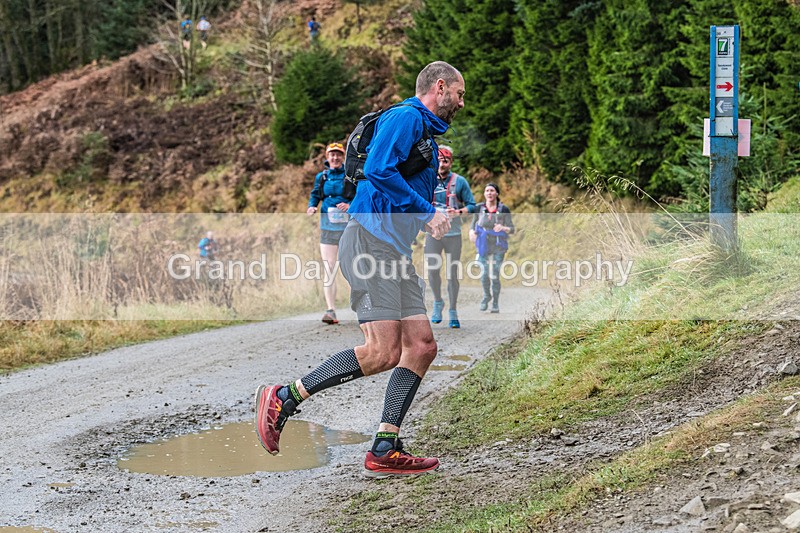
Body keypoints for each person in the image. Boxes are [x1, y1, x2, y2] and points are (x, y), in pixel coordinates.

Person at [255, 61, 465, 478]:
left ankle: (385, 446)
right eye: (459, 94)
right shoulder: (406, 117)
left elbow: (395, 181)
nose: (461, 102)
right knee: (382, 352)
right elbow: (377, 170)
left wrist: (426, 212)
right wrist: (427, 212)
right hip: (369, 242)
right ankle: (284, 397)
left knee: (422, 346)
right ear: (439, 87)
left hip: (392, 250)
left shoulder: (423, 132)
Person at [424, 145, 475, 329]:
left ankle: (453, 310)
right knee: (432, 270)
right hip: (433, 234)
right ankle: (438, 302)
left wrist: (459, 211)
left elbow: (472, 205)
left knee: (452, 273)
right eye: (439, 160)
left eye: (445, 160)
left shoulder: (459, 182)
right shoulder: (428, 180)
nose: (442, 164)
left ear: (451, 162)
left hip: (453, 234)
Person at [307, 142, 351, 325]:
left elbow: (358, 195)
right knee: (329, 268)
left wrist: (349, 205)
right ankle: (331, 310)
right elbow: (315, 194)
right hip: (328, 227)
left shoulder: (349, 175)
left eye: (338, 154)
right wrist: (312, 206)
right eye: (332, 154)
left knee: (351, 268)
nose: (335, 158)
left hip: (347, 228)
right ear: (327, 157)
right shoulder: (322, 176)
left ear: (343, 156)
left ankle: (362, 307)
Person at [469, 183, 514, 313]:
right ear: (484, 194)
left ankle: (495, 303)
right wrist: (471, 232)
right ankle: (486, 296)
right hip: (483, 244)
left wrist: (503, 228)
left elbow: (512, 229)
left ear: (497, 193)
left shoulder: (503, 209)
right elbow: (473, 224)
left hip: (498, 245)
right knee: (484, 273)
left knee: (494, 274)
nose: (489, 193)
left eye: (492, 190)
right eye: (487, 190)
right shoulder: (479, 208)